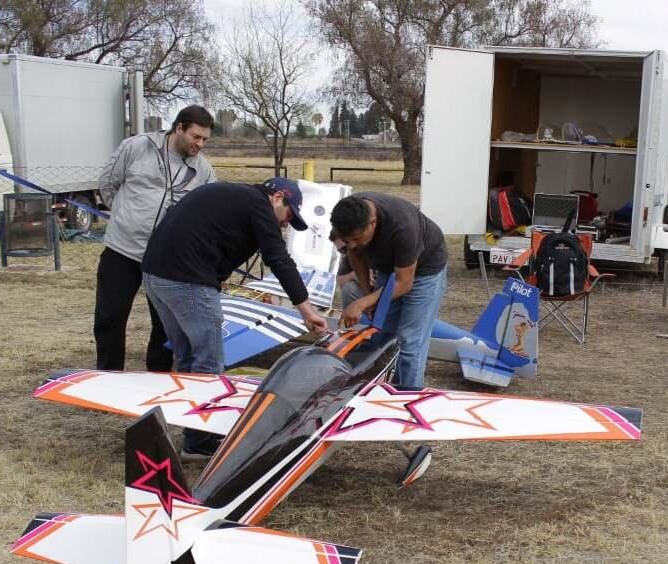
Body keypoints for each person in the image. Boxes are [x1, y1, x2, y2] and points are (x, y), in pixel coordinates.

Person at [142, 178, 329, 460]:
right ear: (278, 197)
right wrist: (307, 310)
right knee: (209, 361)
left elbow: (206, 234)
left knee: (187, 356)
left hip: (155, 275)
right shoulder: (258, 205)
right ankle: (200, 440)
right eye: (289, 216)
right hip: (186, 280)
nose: (285, 225)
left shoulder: (233, 196)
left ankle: (188, 429)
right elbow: (278, 259)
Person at [94, 105, 217, 371]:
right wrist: (125, 217)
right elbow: (108, 183)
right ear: (179, 127)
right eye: (196, 136)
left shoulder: (204, 171)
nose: (200, 144)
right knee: (110, 317)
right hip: (122, 250)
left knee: (165, 325)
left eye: (205, 139)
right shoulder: (137, 147)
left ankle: (158, 376)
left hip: (165, 258)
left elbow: (207, 211)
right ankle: (108, 375)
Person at [330, 193, 448, 390]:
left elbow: (404, 284)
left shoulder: (402, 226)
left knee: (409, 343)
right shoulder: (348, 215)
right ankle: (380, 390)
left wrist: (361, 303)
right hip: (388, 266)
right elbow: (356, 255)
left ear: (372, 223)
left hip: (424, 270)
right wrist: (368, 296)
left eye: (357, 239)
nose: (352, 245)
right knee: (382, 335)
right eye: (346, 240)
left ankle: (407, 399)